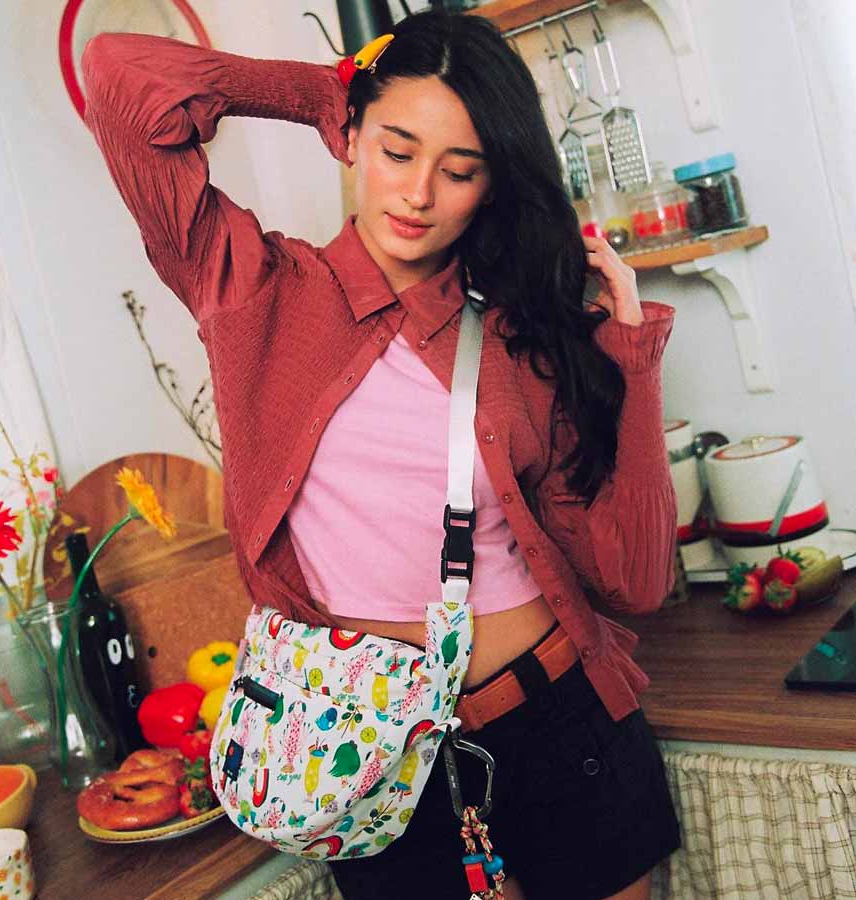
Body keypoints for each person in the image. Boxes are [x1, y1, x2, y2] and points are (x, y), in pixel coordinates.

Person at [81, 9, 680, 899]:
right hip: (374, 768)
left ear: (491, 186)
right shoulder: (252, 291)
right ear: (354, 139)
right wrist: (321, 92)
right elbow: (118, 75)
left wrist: (630, 356)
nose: (419, 193)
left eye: (460, 169)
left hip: (566, 730)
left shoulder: (519, 338)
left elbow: (637, 579)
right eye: (398, 150)